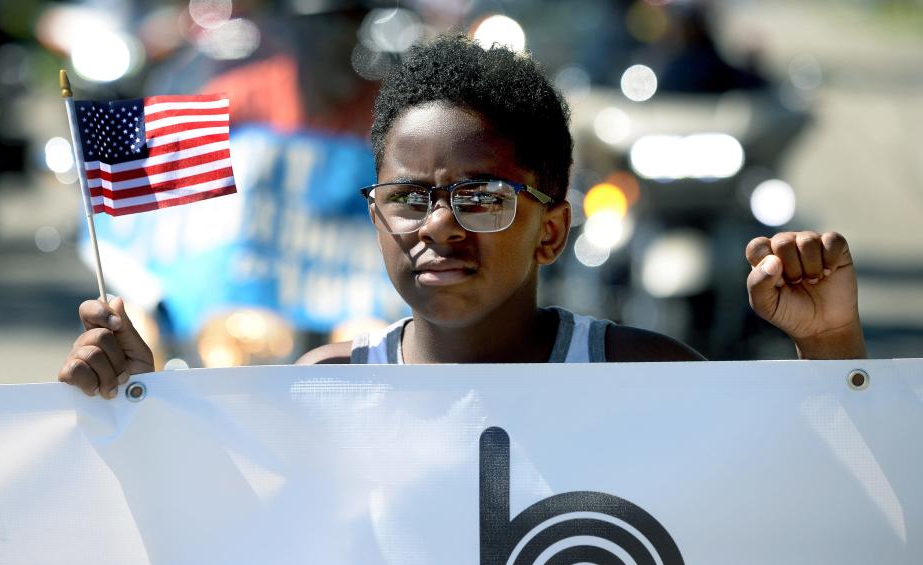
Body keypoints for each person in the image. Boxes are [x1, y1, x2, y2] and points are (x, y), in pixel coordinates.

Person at [58, 35, 866, 398]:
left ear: (552, 228)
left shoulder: (645, 376)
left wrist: (830, 348)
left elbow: (801, 511)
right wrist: (136, 410)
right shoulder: (325, 395)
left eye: (481, 197)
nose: (437, 226)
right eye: (408, 197)